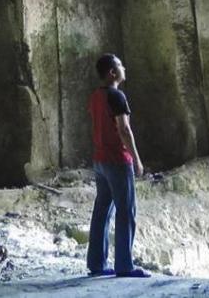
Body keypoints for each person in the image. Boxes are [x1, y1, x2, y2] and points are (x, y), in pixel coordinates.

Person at [86, 53, 150, 279]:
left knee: (102, 210)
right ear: (112, 73)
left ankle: (96, 263)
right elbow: (124, 130)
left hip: (100, 160)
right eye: (121, 65)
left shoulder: (95, 96)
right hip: (117, 160)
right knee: (126, 211)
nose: (124, 68)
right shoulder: (117, 96)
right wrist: (137, 160)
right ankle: (124, 265)